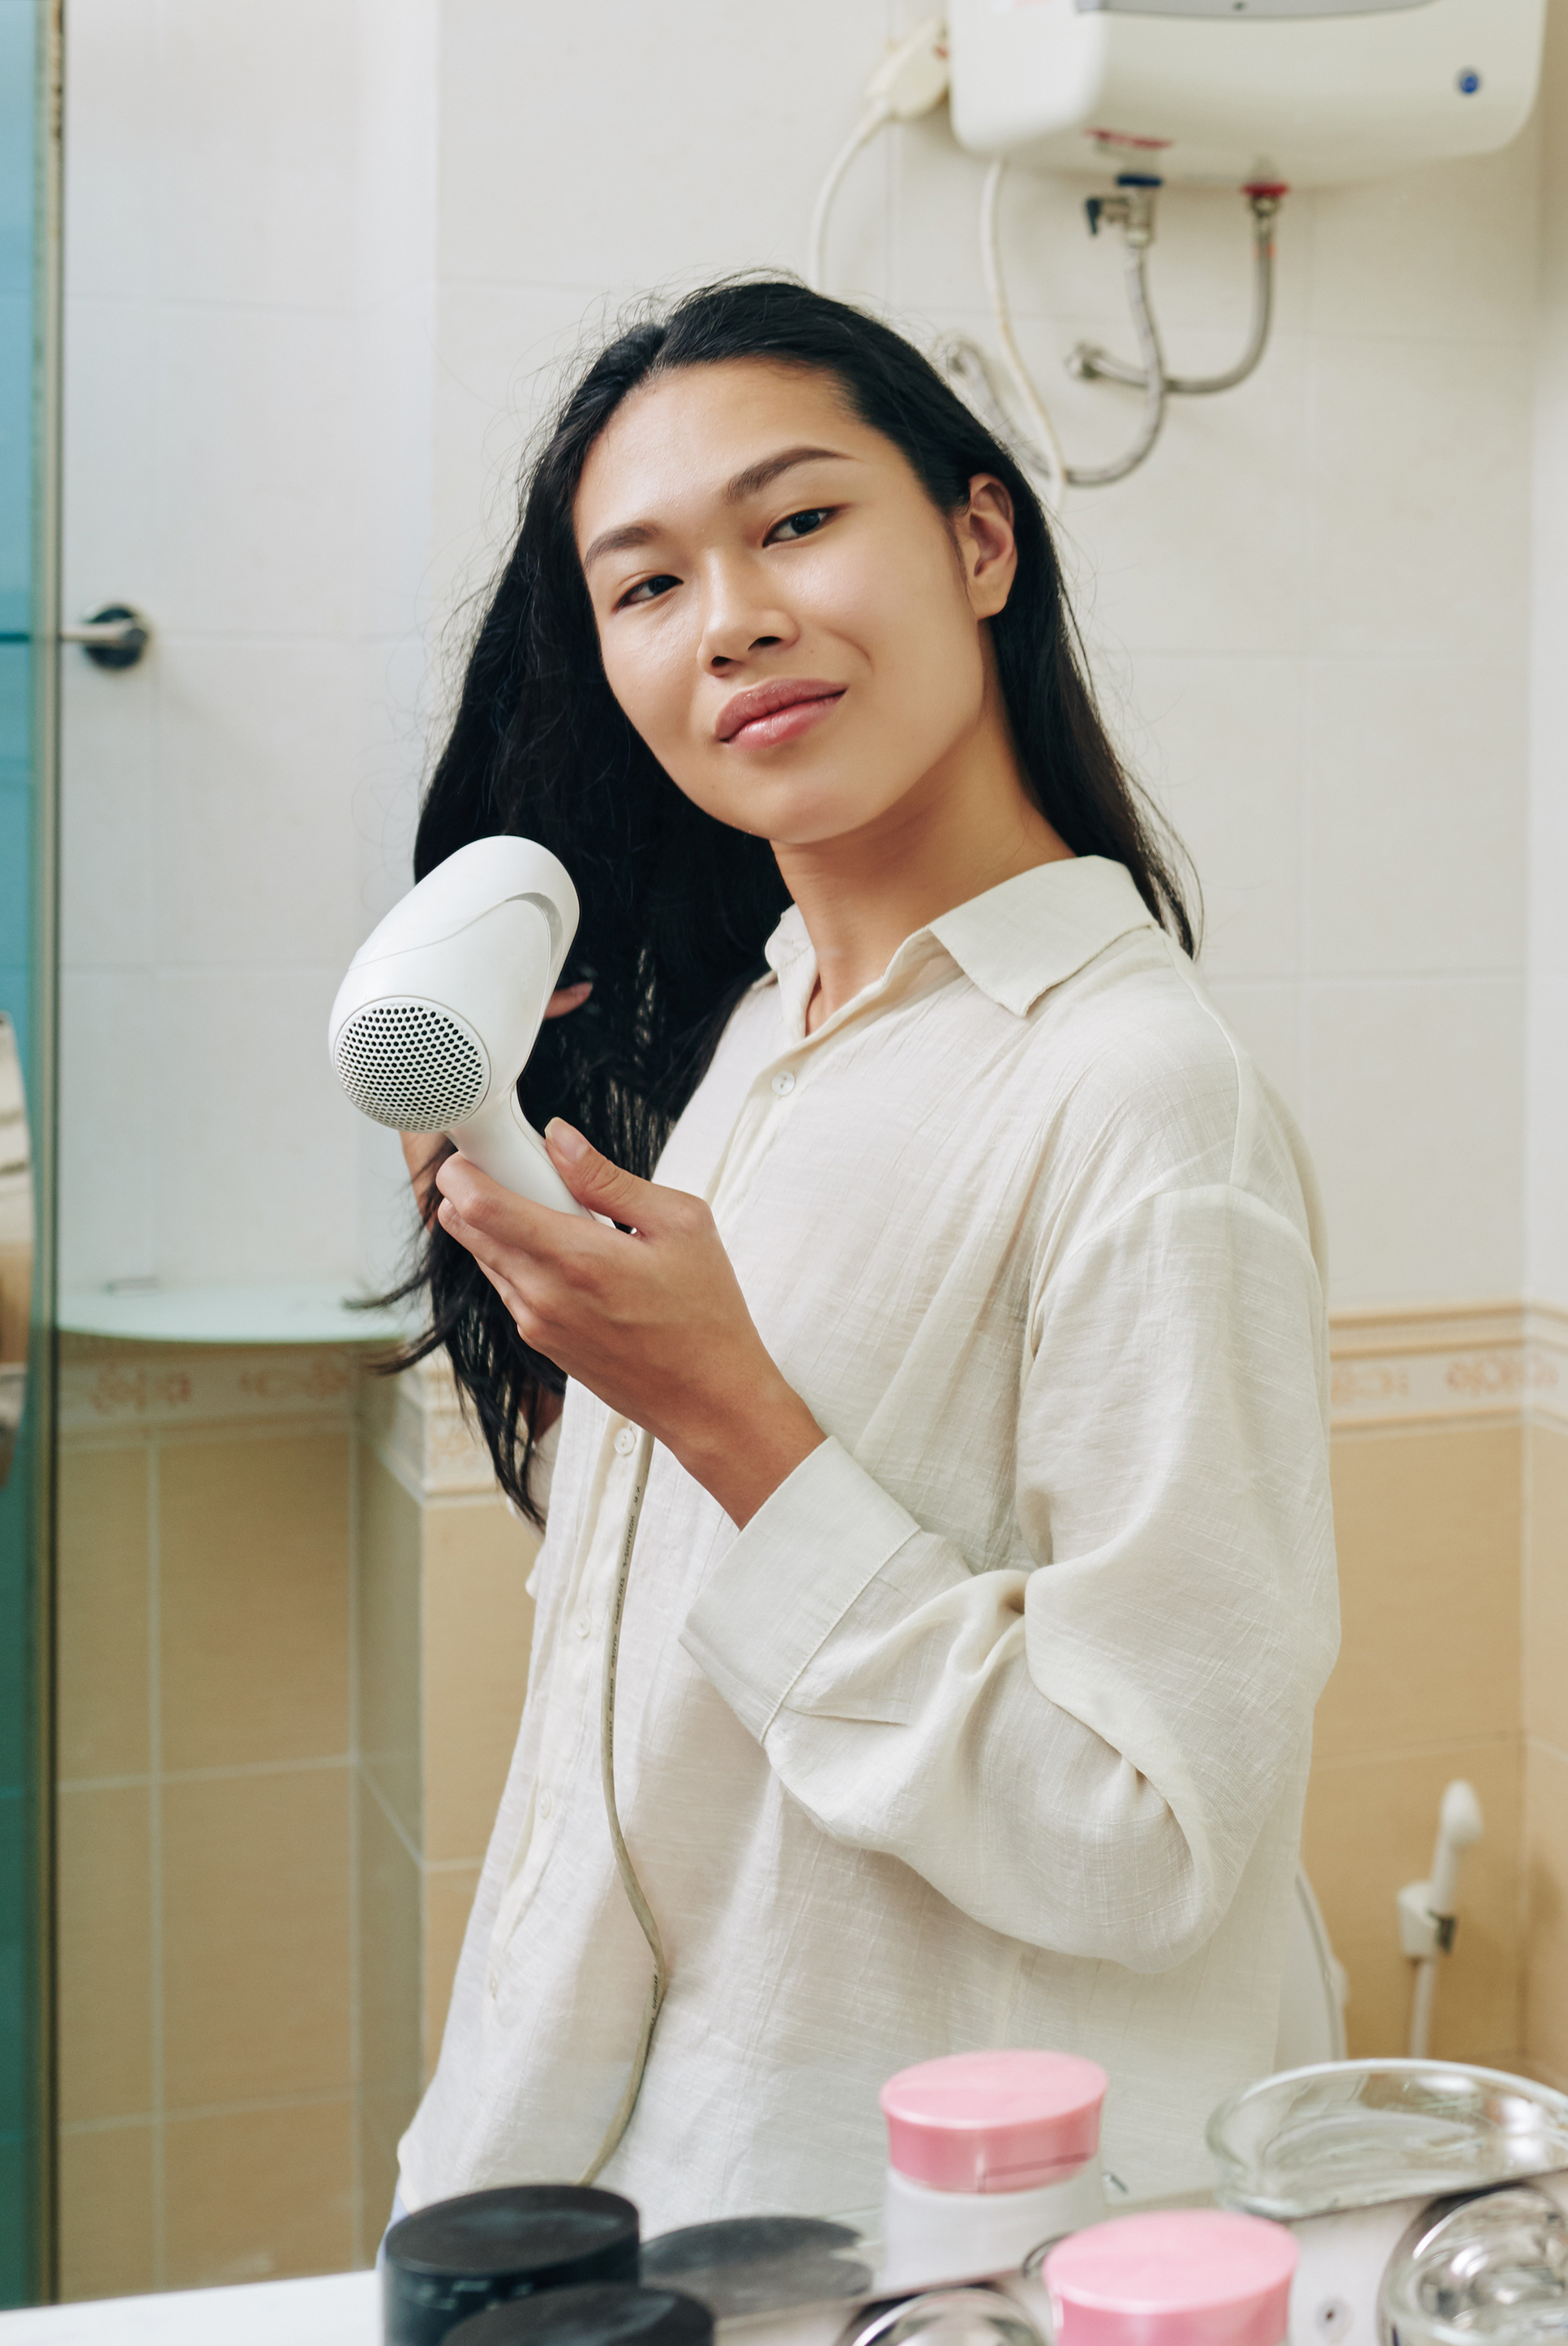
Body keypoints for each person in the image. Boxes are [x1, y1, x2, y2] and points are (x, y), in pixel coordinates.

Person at [386, 280, 1345, 2227]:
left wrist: (729, 1413)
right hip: (640, 2184)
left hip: (957, 2245)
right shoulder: (757, 1042)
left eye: (798, 521)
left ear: (981, 542)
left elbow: (1144, 1833)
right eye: (644, 585)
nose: (728, 615)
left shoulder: (1144, 1098)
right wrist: (563, 1307)